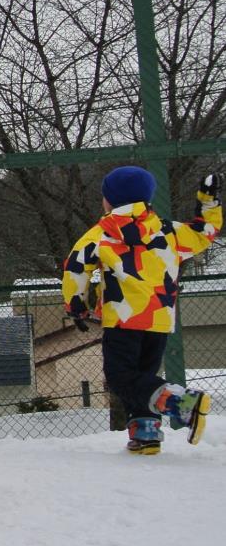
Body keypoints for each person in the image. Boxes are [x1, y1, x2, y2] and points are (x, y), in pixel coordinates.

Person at [61, 167, 220, 454]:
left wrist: (77, 306)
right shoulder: (168, 231)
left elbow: (75, 268)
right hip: (159, 319)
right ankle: (146, 433)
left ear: (109, 201)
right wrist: (207, 202)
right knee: (142, 377)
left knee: (121, 376)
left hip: (123, 320)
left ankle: (182, 403)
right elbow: (204, 233)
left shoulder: (102, 234)